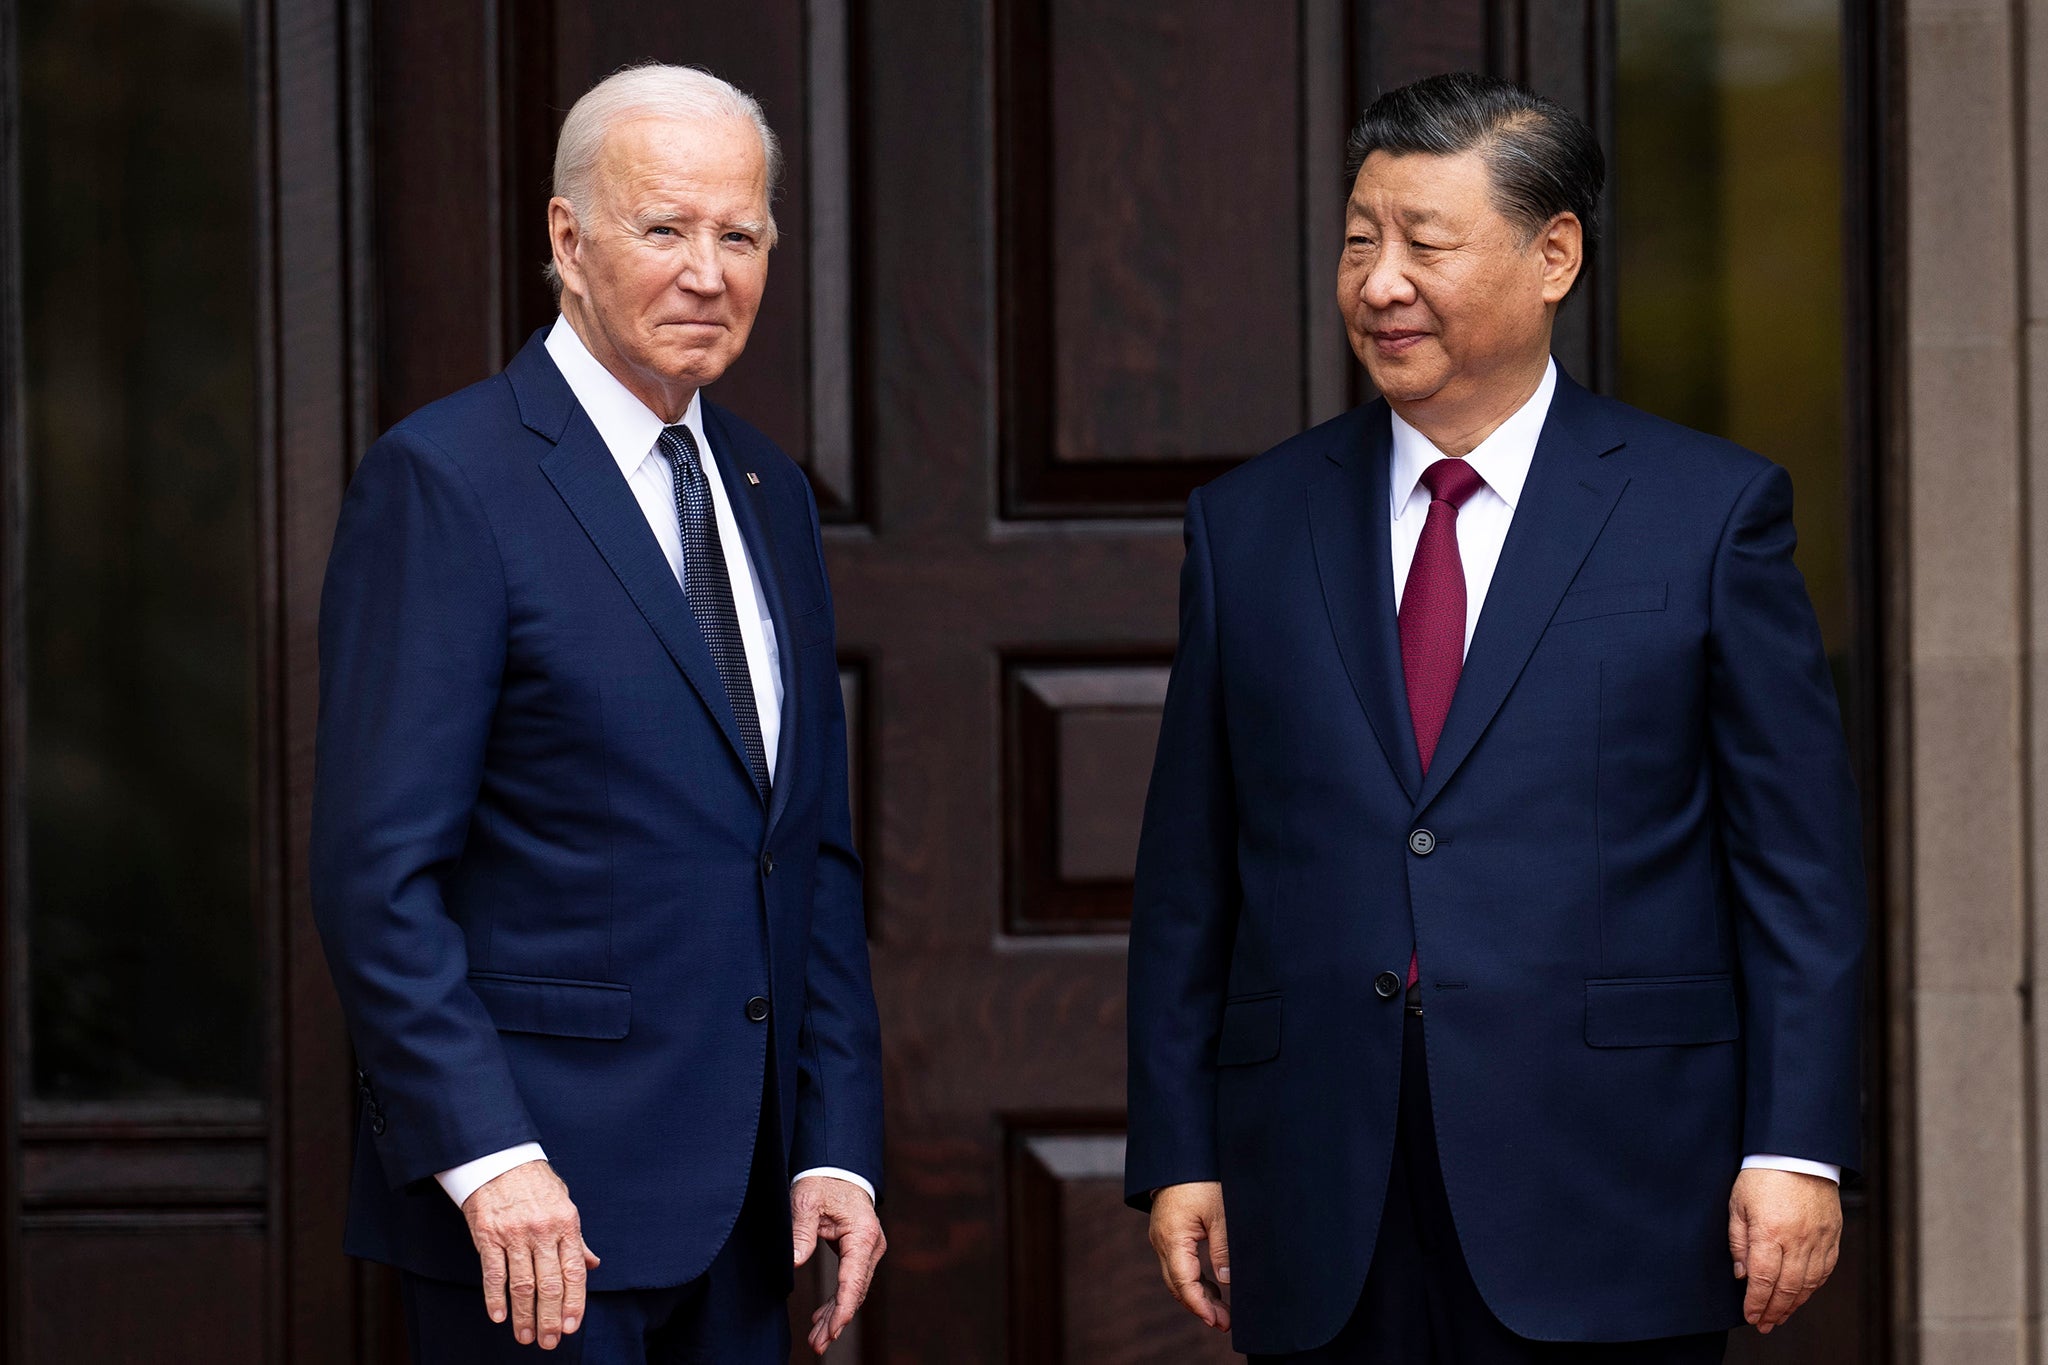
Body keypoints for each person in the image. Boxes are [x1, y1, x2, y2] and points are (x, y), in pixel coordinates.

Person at [1126, 72, 1863, 1363]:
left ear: (1554, 254)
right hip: (1322, 1183)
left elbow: (1795, 869)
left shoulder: (1707, 516)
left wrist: (1794, 1142)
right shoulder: (1247, 526)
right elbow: (1193, 873)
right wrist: (1179, 1145)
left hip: (1614, 1182)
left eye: (1425, 241)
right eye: (1361, 240)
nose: (1380, 281)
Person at [311, 63, 883, 1363]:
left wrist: (838, 1145)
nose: (708, 271)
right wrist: (490, 1156)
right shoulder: (447, 480)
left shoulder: (768, 489)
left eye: (740, 236)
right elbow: (374, 874)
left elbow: (806, 855)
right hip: (534, 1220)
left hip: (748, 1217)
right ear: (568, 239)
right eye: (664, 228)